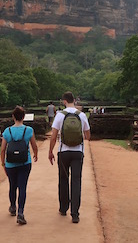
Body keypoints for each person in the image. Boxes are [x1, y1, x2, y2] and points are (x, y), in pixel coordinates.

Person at [48, 91, 91, 224]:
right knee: (76, 181)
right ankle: (75, 214)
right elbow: (88, 136)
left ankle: (63, 207)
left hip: (63, 152)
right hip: (78, 152)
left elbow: (54, 136)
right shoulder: (82, 115)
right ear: (74, 100)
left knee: (63, 179)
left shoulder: (60, 115)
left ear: (64, 101)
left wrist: (50, 151)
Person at [0, 106, 39, 225]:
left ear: (13, 117)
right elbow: (34, 145)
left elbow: (2, 149)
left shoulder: (7, 131)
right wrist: (35, 154)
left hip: (10, 163)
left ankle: (12, 207)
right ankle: (20, 212)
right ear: (23, 117)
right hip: (24, 162)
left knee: (12, 185)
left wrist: (3, 163)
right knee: (22, 187)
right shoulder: (28, 130)